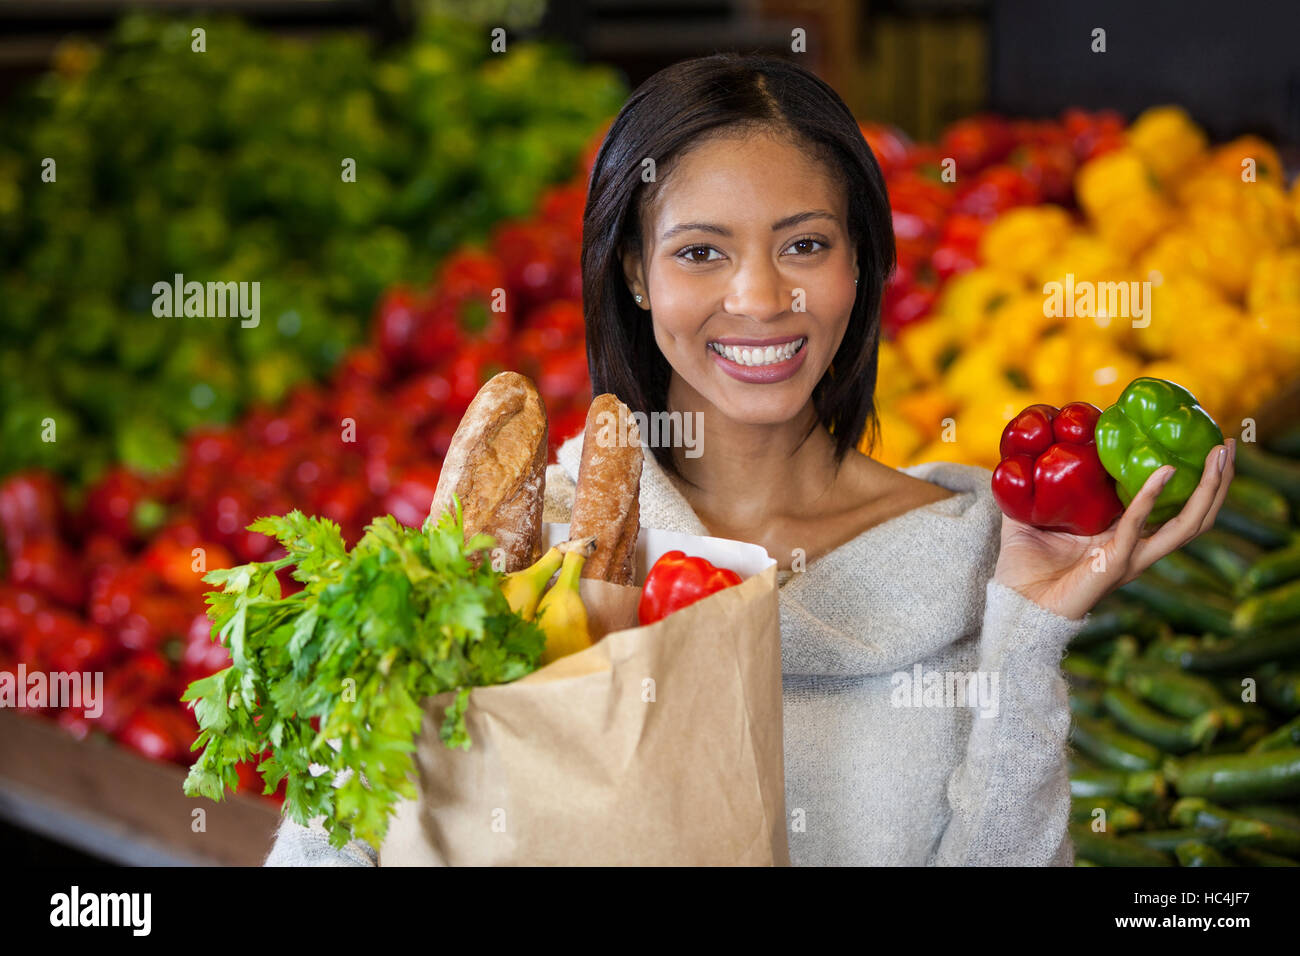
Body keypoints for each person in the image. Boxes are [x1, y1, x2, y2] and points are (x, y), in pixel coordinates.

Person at [265, 52, 1234, 867]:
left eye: (804, 244)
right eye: (699, 253)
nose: (761, 296)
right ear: (635, 273)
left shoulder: (983, 558)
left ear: (861, 262)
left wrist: (1027, 630)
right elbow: (328, 847)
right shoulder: (524, 553)